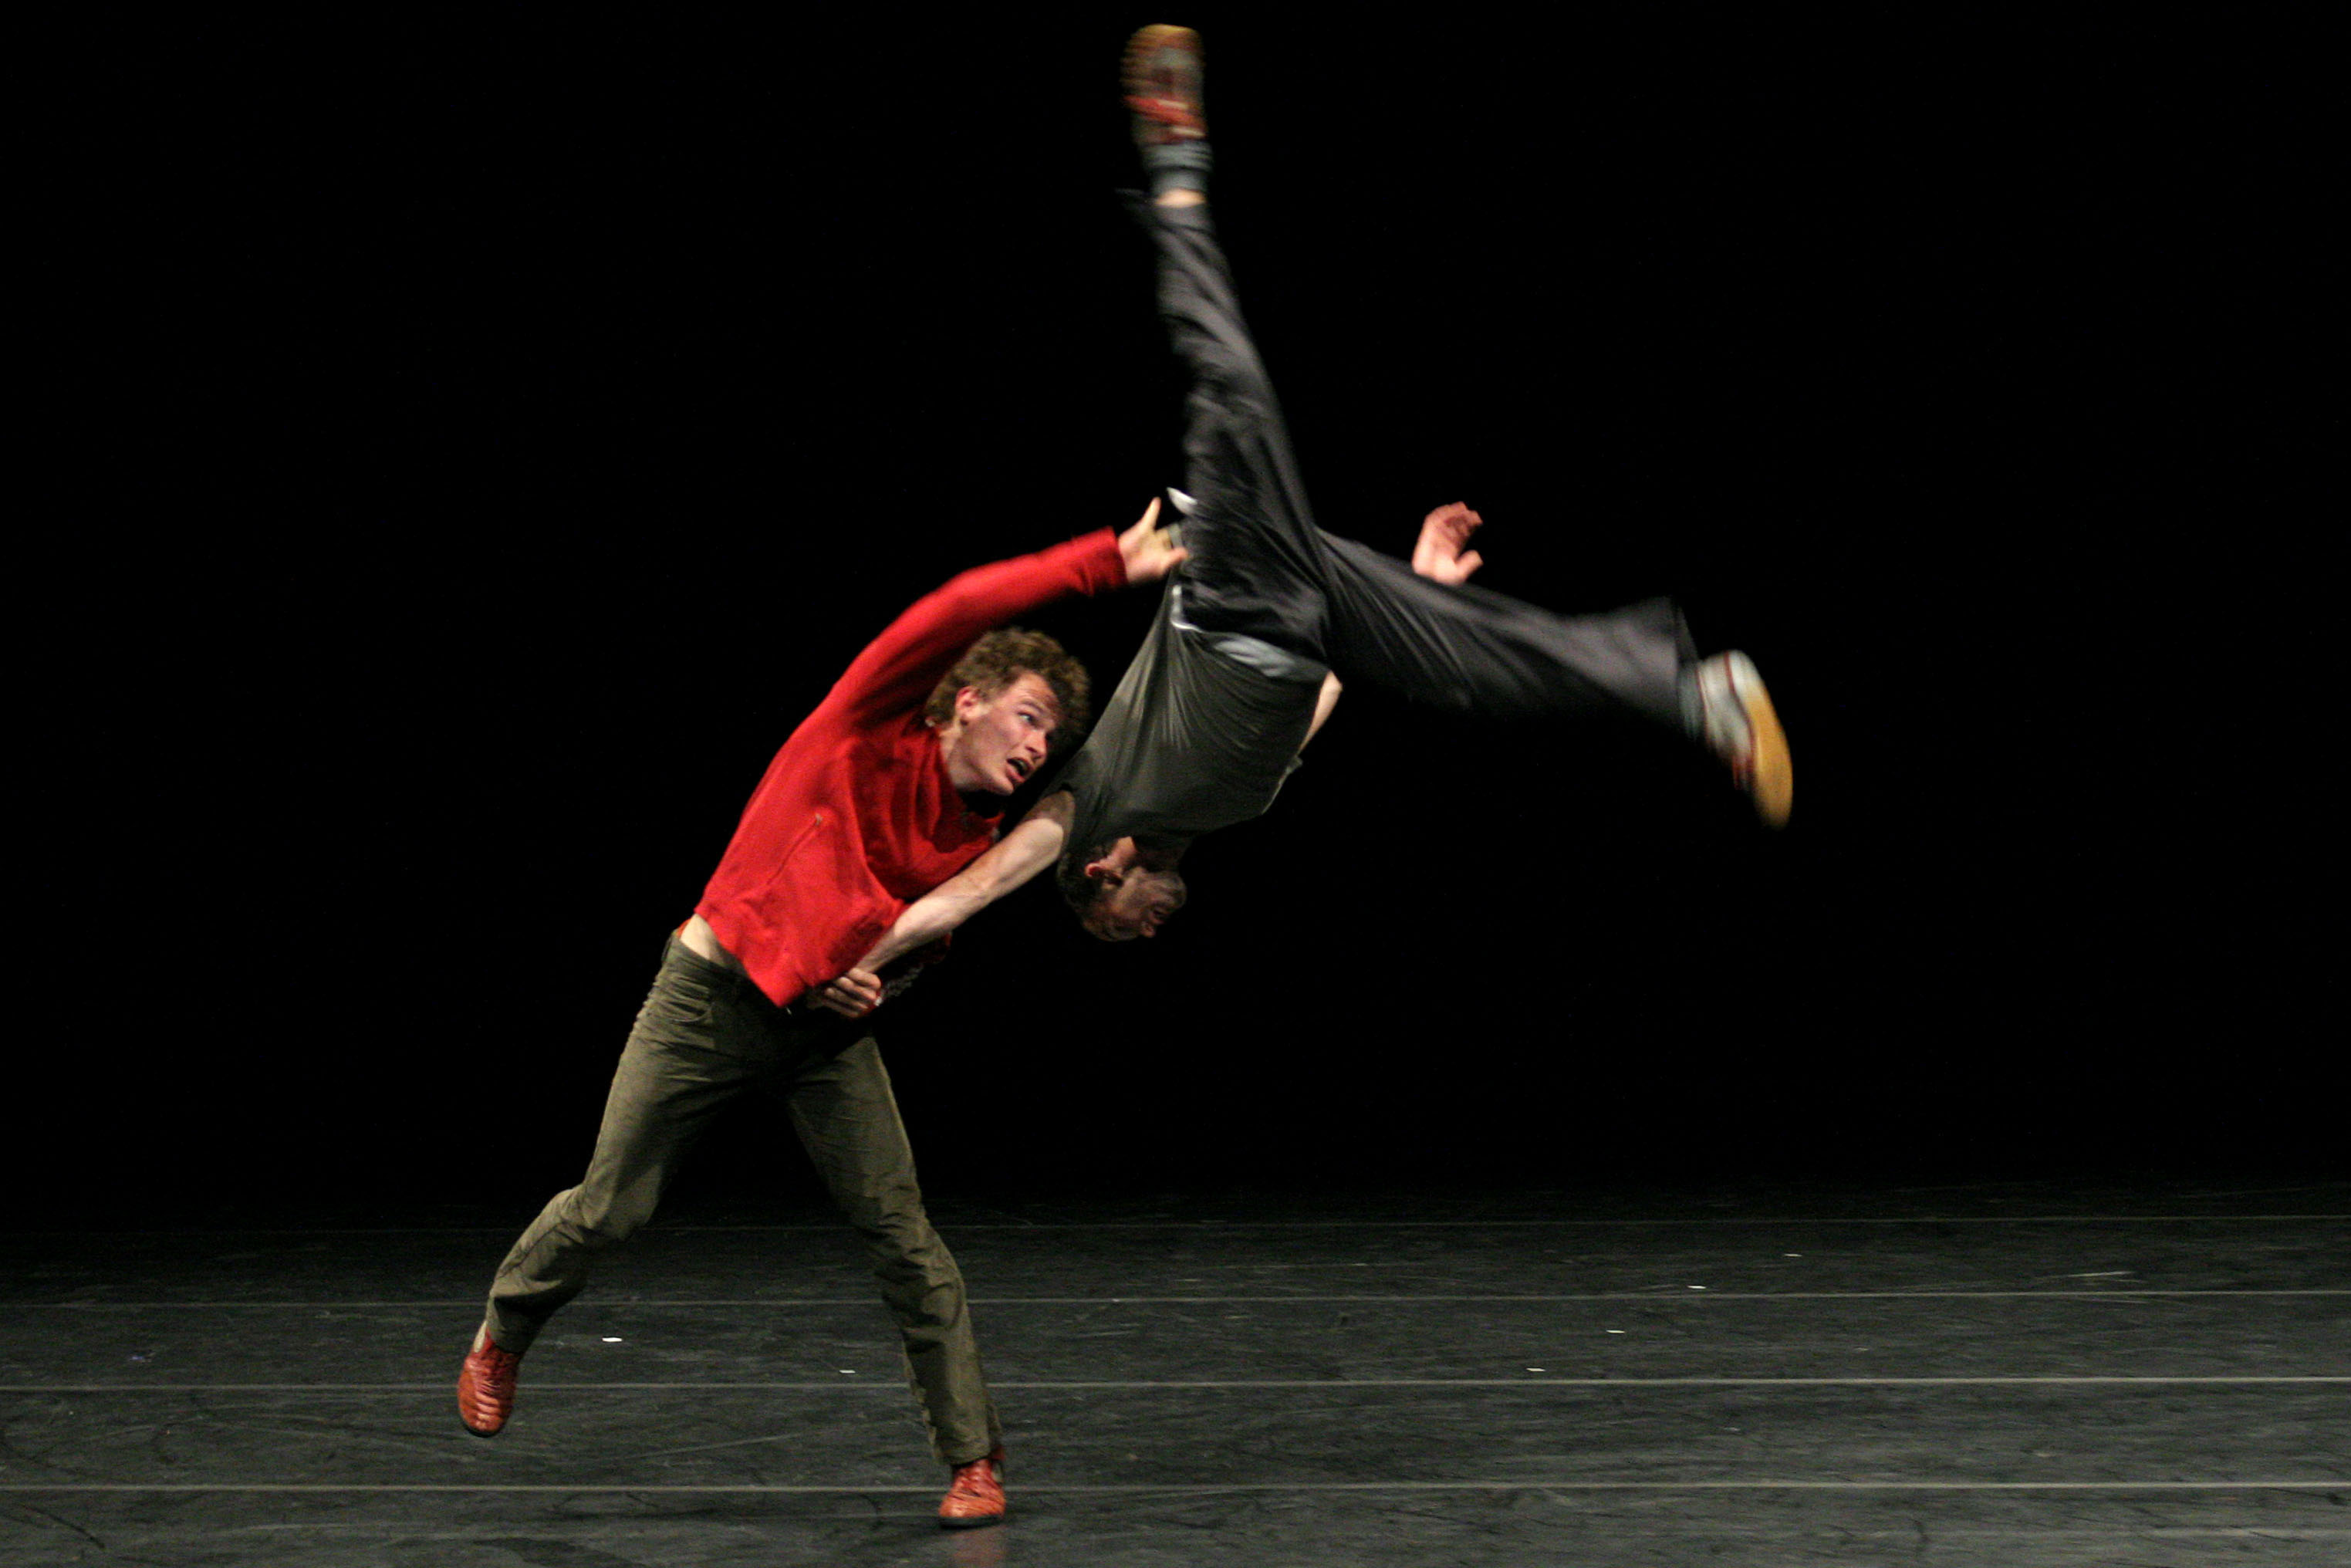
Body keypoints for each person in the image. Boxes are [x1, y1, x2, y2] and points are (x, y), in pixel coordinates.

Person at [813, 22, 1792, 1008]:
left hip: (1234, 585)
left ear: (1101, 872)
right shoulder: (1233, 805)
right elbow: (1325, 687)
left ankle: (1176, 165)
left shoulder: (1086, 803)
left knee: (1230, 389)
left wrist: (861, 953)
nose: (1148, 928)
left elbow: (971, 892)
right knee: (1459, 673)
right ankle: (1687, 689)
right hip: (1319, 610)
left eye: (1118, 920)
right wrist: (1417, 591)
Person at [453, 506, 1186, 1531]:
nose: (1038, 744)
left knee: (902, 1235)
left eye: (1051, 737)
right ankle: (502, 1333)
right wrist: (1104, 563)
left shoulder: (971, 839)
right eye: (1025, 717)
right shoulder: (869, 720)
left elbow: (945, 924)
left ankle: (974, 1459)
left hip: (823, 1042)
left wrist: (880, 981)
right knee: (613, 1209)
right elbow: (960, 604)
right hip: (708, 1001)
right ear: (965, 701)